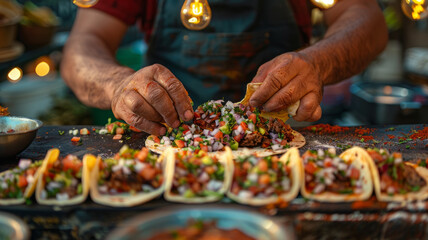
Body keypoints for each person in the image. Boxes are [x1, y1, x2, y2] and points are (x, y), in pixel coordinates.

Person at [61, 0, 388, 136]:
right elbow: (81, 47)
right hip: (171, 145)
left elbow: (367, 19)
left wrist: (319, 61)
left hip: (286, 144)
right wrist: (117, 84)